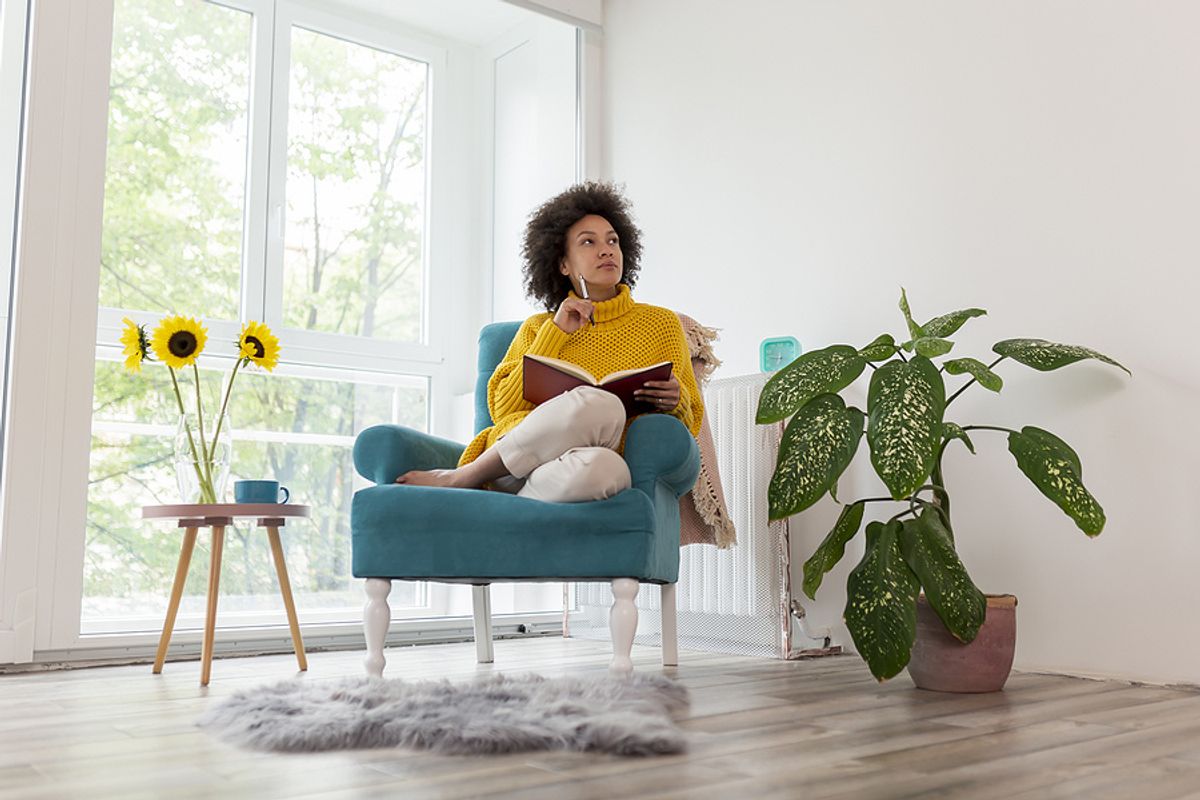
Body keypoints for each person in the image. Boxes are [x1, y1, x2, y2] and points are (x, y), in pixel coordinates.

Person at [396, 182, 703, 502]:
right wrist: (556, 333)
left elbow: (691, 421)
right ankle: (465, 476)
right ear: (563, 264)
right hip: (508, 470)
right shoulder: (539, 327)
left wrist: (676, 401)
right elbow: (503, 410)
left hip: (579, 468)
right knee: (602, 404)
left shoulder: (661, 324)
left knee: (609, 470)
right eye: (588, 242)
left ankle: (511, 516)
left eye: (613, 240)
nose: (606, 249)